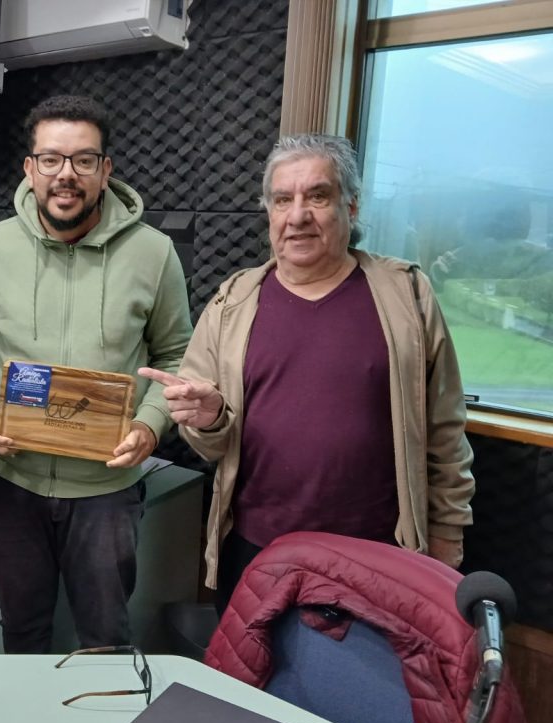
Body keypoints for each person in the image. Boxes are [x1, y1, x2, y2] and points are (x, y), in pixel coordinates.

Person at [141, 133, 474, 606]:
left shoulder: (407, 296)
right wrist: (210, 418)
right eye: (282, 200)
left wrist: (446, 538)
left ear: (350, 207)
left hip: (380, 550)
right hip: (256, 549)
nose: (297, 216)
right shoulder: (232, 303)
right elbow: (209, 444)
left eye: (317, 196)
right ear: (269, 212)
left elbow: (444, 429)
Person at [0, 95, 193, 653]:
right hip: (12, 483)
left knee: (105, 636)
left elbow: (178, 356)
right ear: (30, 168)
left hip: (107, 492)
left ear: (105, 170)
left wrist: (150, 425)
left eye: (84, 160)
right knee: (22, 631)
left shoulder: (154, 254)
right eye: (51, 159)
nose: (66, 175)